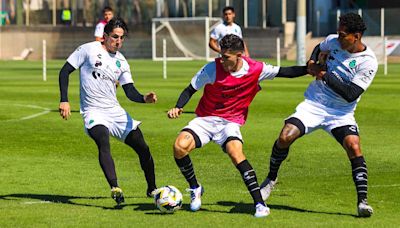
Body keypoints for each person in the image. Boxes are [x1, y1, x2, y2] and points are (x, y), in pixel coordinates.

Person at [167, 34, 308, 217]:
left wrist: (308, 69)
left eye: (227, 57)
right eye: (221, 55)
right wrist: (178, 107)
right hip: (206, 119)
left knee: (236, 153)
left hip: (230, 121)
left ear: (239, 55)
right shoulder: (212, 68)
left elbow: (285, 72)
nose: (222, 61)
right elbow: (189, 90)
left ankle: (259, 204)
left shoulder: (256, 69)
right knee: (179, 147)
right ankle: (195, 188)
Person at [259, 13, 377, 217]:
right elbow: (318, 48)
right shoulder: (333, 41)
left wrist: (323, 74)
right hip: (314, 104)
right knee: (285, 136)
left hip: (340, 112)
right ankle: (270, 179)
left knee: (354, 146)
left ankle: (362, 202)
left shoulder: (368, 62)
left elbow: (351, 94)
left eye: (343, 35)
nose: (338, 38)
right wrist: (313, 61)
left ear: (356, 36)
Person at [59, 17, 157, 205]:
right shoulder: (88, 49)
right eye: (114, 37)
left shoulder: (121, 62)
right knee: (103, 141)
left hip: (115, 112)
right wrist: (64, 100)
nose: (118, 41)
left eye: (121, 38)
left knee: (143, 148)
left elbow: (130, 92)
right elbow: (64, 72)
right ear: (105, 36)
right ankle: (115, 187)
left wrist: (144, 98)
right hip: (93, 111)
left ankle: (152, 188)